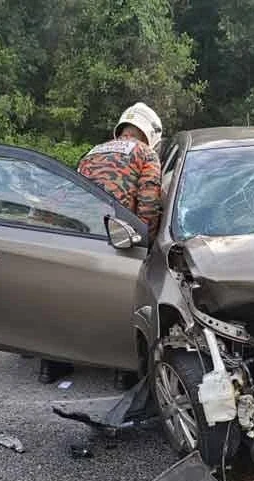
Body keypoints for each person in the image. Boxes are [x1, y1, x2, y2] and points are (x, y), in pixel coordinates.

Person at [36, 102, 163, 387]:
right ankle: (123, 371)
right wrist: (146, 241)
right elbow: (149, 202)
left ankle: (52, 364)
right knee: (120, 300)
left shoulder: (93, 151)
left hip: (77, 232)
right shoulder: (146, 154)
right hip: (115, 234)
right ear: (151, 134)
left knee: (69, 298)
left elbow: (65, 191)